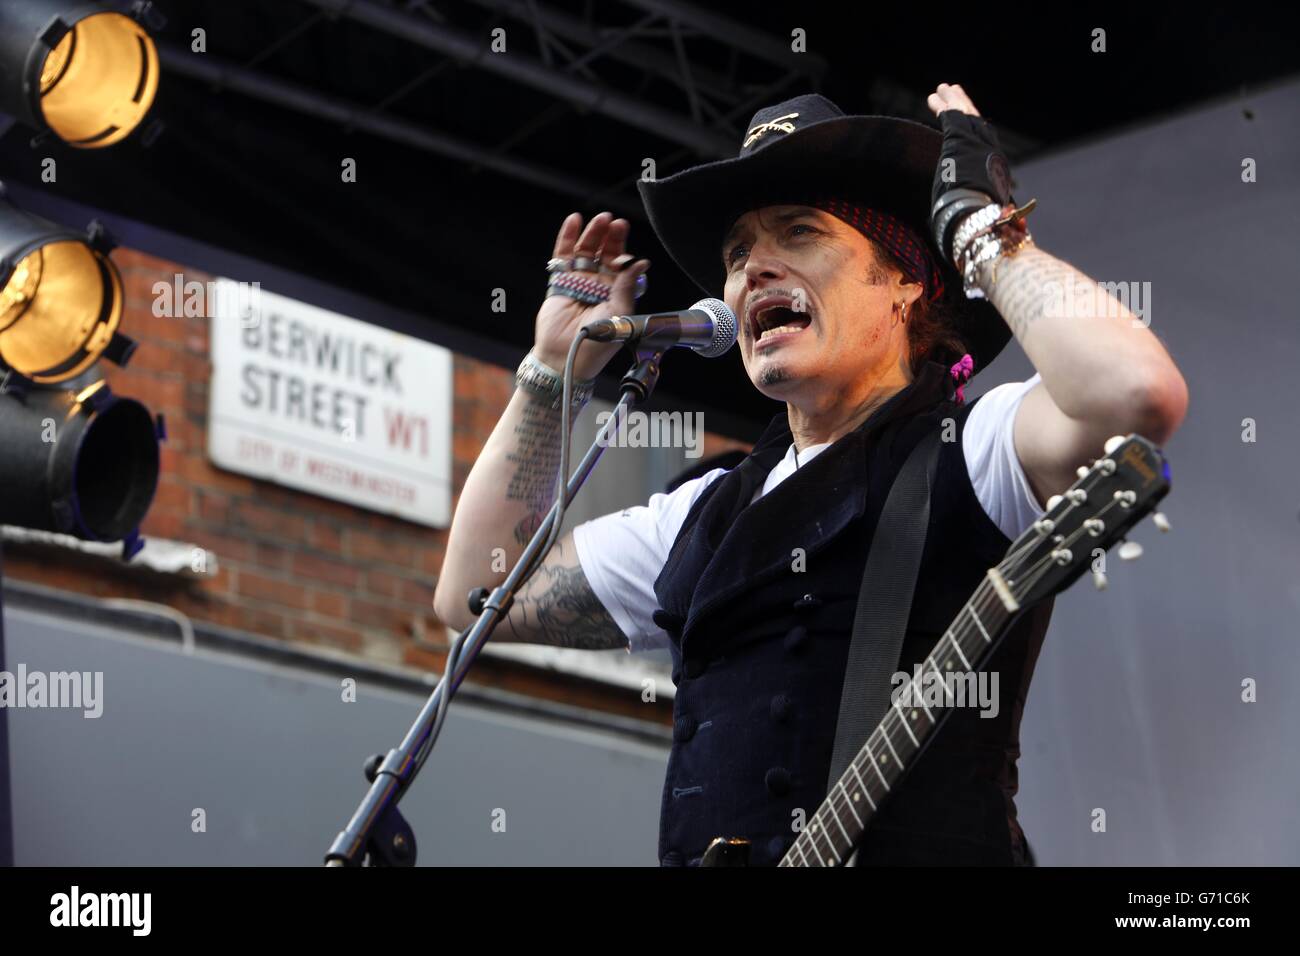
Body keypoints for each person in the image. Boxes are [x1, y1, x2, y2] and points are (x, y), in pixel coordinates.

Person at [433, 83, 1188, 866]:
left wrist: (979, 230)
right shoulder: (705, 511)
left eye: (799, 232)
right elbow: (477, 595)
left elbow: (1135, 394)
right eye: (737, 254)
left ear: (907, 278)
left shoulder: (977, 445)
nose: (755, 268)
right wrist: (553, 369)